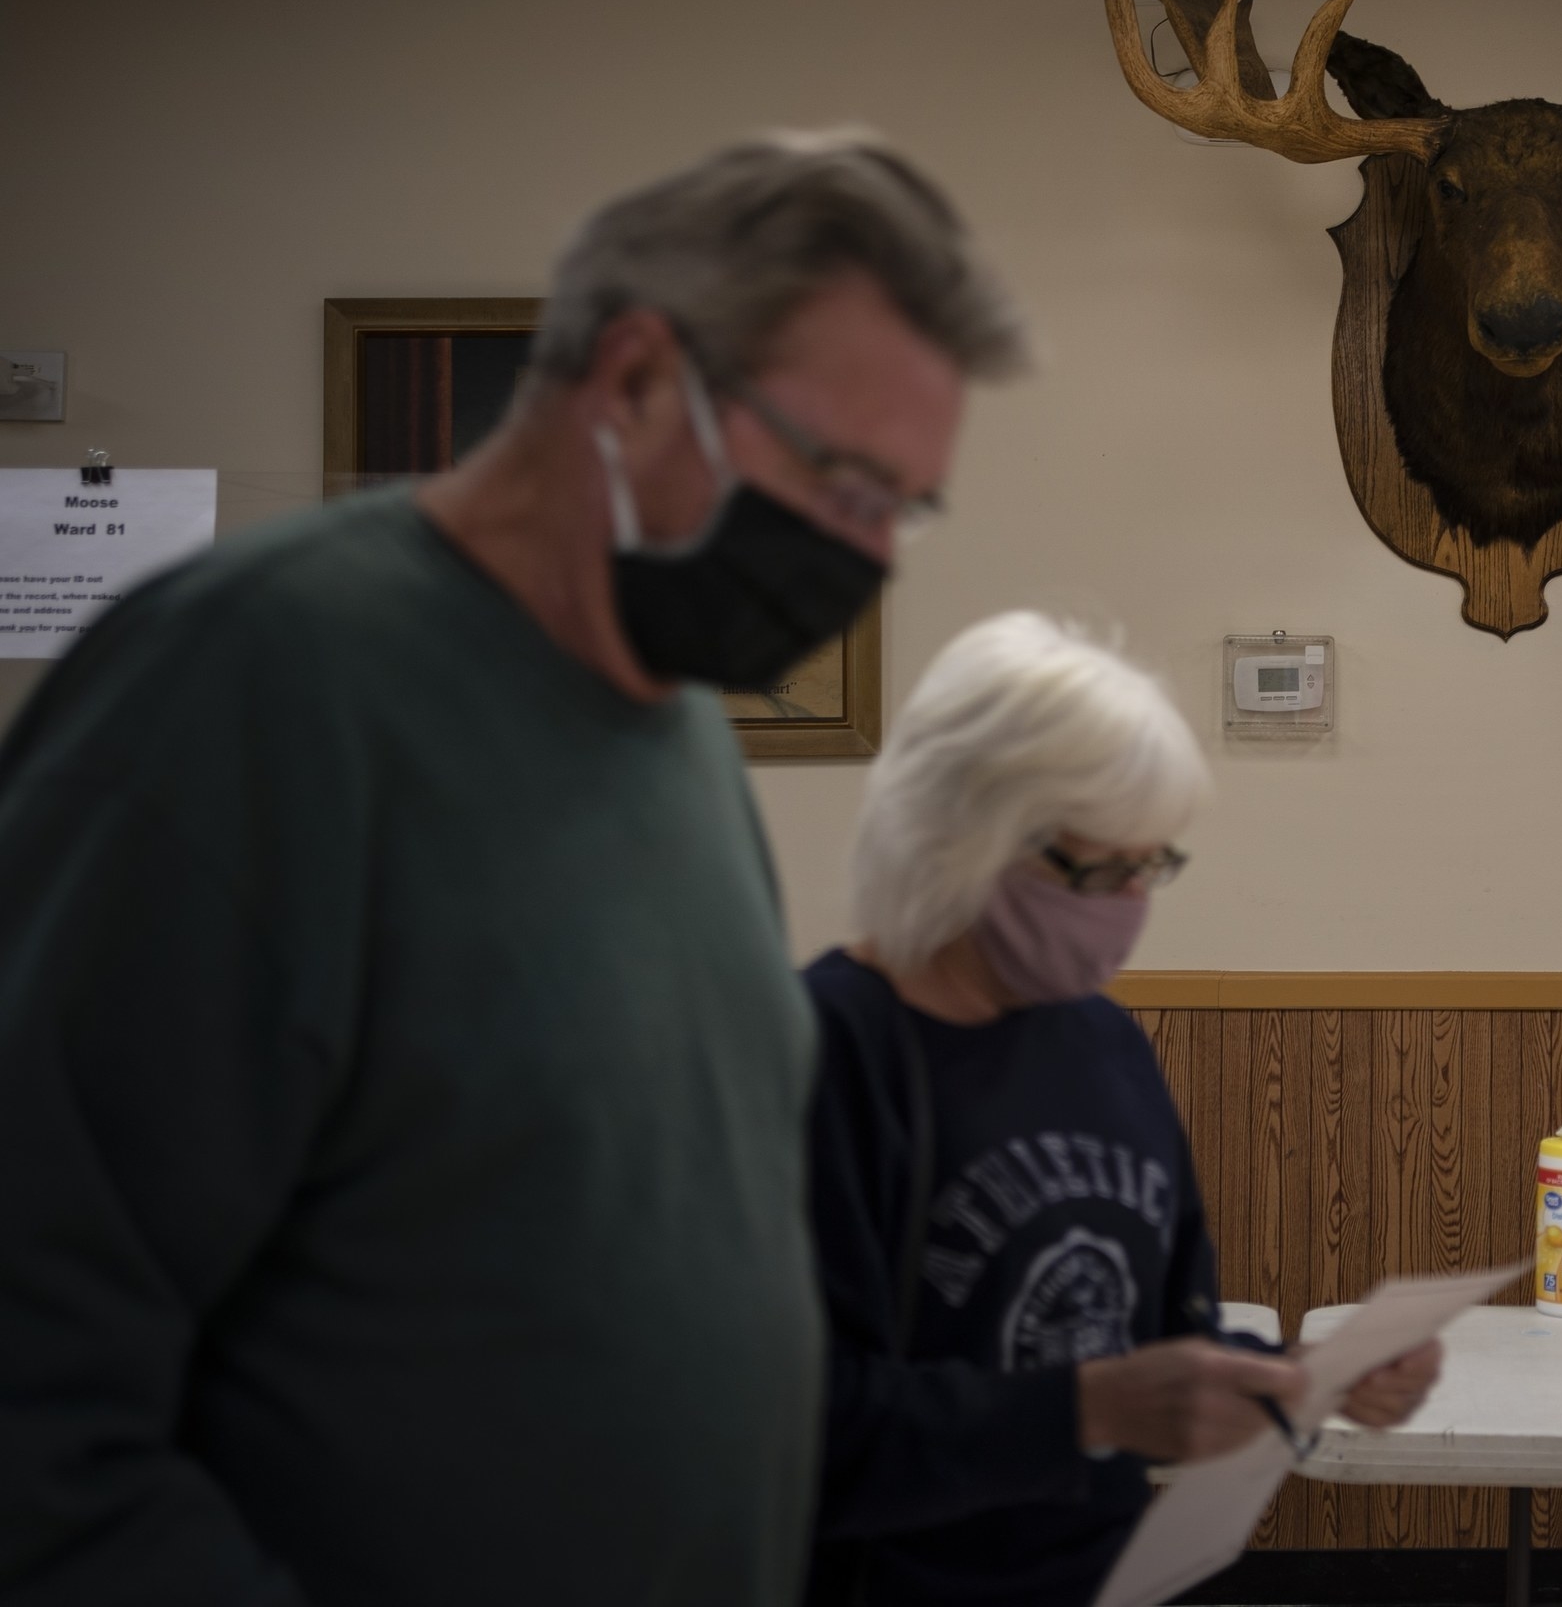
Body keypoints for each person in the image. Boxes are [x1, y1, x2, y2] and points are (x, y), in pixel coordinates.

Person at [0, 134, 1025, 1605]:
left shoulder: (676, 734)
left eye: (902, 509)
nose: (870, 554)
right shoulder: (254, 691)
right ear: (631, 381)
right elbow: (35, 1389)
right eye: (846, 479)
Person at [804, 612, 1441, 1606]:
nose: (1132, 901)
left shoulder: (1103, 1043)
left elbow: (1146, 1345)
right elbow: (789, 1426)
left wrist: (1300, 1377)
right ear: (964, 834)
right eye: (1106, 871)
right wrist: (1084, 1408)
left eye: (1155, 865)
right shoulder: (823, 1054)